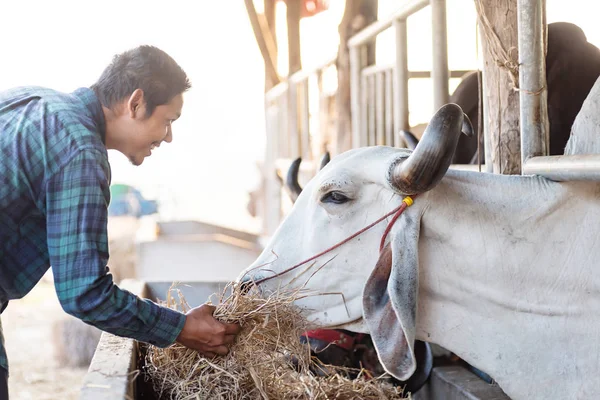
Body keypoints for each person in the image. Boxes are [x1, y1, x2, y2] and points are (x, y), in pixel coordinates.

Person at [0, 45, 241, 399]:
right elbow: (85, 294)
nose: (169, 137)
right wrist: (181, 328)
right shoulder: (79, 150)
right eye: (169, 120)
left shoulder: (29, 99)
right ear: (136, 103)